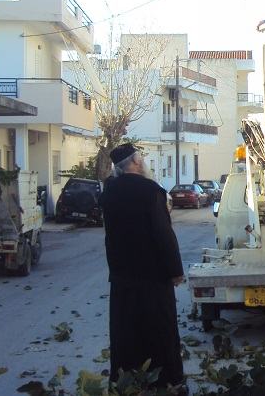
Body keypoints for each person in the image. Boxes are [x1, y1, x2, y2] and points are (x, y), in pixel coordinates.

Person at [99, 143, 185, 390]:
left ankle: (125, 382)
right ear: (135, 162)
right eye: (142, 158)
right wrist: (175, 271)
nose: (144, 161)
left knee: (125, 332)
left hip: (122, 276)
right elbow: (162, 234)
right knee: (161, 330)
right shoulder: (150, 191)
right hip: (153, 277)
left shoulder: (109, 192)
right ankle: (168, 381)